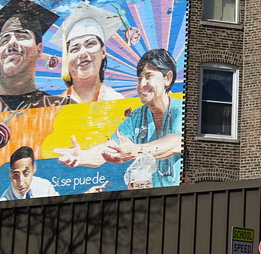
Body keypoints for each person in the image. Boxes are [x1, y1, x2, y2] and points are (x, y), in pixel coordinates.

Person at [55, 48, 183, 188]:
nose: (141, 85)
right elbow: (110, 148)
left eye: (148, 76)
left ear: (167, 78)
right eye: (140, 78)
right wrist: (82, 156)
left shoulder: (181, 108)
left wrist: (135, 150)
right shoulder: (135, 117)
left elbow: (176, 142)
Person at [0, 0, 71, 113]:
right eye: (5, 40)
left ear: (39, 50)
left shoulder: (60, 107)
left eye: (22, 36)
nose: (12, 43)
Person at [60, 3, 124, 103]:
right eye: (74, 49)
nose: (83, 53)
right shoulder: (55, 106)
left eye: (90, 44)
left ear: (103, 51)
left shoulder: (117, 101)